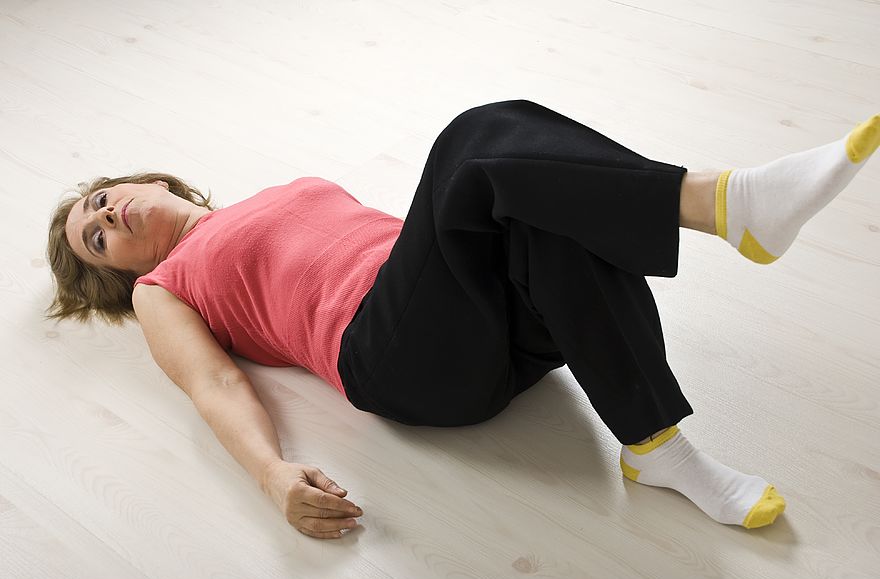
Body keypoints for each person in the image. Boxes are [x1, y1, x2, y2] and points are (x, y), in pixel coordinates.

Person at [46, 100, 878, 539]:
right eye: (95, 240)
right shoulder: (164, 286)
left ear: (148, 182)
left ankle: (658, 447)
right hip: (394, 355)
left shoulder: (265, 194)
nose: (106, 219)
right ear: (117, 274)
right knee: (476, 138)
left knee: (550, 212)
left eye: (100, 202)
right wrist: (272, 474)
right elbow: (215, 382)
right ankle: (729, 204)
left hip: (480, 323)